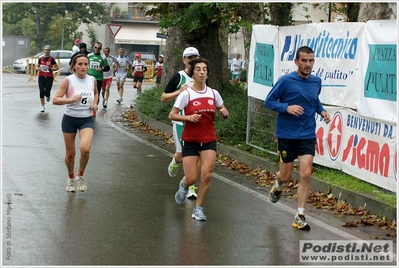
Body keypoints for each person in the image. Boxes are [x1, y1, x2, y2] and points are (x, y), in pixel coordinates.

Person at [264, 46, 331, 230]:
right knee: (285, 176)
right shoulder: (285, 81)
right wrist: (287, 108)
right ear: (296, 62)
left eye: (311, 61)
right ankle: (278, 185)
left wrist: (322, 110)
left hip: (307, 134)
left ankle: (299, 215)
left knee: (306, 172)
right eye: (304, 61)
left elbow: (314, 100)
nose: (308, 64)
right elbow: (268, 101)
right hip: (286, 134)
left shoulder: (316, 81)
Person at [169, 57, 229, 221]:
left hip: (209, 139)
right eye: (198, 69)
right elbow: (172, 115)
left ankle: (198, 208)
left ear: (207, 73)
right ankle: (183, 185)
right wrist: (188, 118)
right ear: (193, 74)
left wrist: (224, 112)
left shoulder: (213, 93)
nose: (202, 72)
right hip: (190, 140)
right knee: (191, 178)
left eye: (204, 69)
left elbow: (221, 107)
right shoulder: (186, 94)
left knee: (207, 176)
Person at [53, 54, 99, 192]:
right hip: (70, 119)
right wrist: (71, 100)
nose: (83, 67)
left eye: (86, 64)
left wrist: (95, 104)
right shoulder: (68, 81)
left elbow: (96, 93)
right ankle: (70, 177)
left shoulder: (92, 79)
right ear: (73, 66)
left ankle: (80, 175)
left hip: (86, 119)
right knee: (70, 154)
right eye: (80, 64)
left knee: (85, 149)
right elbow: (55, 100)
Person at [161, 46, 200, 199]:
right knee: (182, 155)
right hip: (181, 123)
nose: (193, 60)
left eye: (195, 56)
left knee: (194, 155)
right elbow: (164, 98)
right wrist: (179, 91)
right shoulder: (179, 77)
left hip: (196, 123)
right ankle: (175, 162)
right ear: (184, 60)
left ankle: (191, 187)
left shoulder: (202, 76)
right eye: (190, 57)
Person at [87, 42, 110, 118]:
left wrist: (102, 68)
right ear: (94, 47)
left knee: (96, 94)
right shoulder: (89, 56)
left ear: (101, 49)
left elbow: (107, 68)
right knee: (88, 94)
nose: (97, 49)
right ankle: (87, 109)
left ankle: (94, 110)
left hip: (98, 79)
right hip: (89, 78)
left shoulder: (103, 57)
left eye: (99, 48)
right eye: (96, 47)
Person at [36, 45, 59, 113]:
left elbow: (56, 67)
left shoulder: (51, 59)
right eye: (45, 50)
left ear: (49, 51)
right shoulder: (41, 59)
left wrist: (51, 68)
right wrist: (38, 68)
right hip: (41, 77)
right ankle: (42, 106)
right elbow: (37, 66)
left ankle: (48, 95)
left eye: (48, 50)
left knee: (47, 91)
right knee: (41, 91)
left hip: (49, 77)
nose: (46, 51)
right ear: (44, 51)